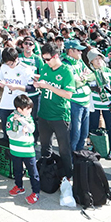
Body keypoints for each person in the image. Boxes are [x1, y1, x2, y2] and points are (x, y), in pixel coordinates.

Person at [33, 42, 75, 179]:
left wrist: (47, 86)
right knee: (45, 147)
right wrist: (38, 84)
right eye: (44, 59)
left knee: (64, 149)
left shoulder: (66, 71)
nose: (46, 62)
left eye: (47, 59)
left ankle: (68, 175)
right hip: (44, 114)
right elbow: (44, 83)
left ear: (56, 56)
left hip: (60, 115)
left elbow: (68, 95)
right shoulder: (45, 68)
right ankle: (47, 173)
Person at [6, 94, 40, 205]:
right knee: (17, 170)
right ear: (19, 109)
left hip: (28, 151)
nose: (30, 111)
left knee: (33, 172)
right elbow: (10, 134)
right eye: (27, 109)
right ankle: (19, 186)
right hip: (15, 150)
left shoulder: (28, 117)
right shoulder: (11, 118)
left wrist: (22, 121)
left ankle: (36, 192)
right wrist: (21, 132)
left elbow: (32, 128)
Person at [87, 49, 111, 159]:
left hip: (108, 102)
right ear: (91, 61)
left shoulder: (107, 71)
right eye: (95, 59)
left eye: (99, 58)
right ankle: (95, 147)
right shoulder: (88, 72)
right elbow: (83, 85)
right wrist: (93, 88)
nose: (98, 60)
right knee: (93, 126)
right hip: (94, 104)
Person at [62, 39, 92, 151]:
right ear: (70, 51)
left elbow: (92, 75)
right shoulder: (65, 64)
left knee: (84, 133)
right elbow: (73, 83)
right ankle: (71, 159)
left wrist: (83, 78)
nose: (81, 52)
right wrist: (83, 79)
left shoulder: (80, 62)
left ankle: (79, 156)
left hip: (86, 102)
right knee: (75, 134)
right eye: (78, 50)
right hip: (75, 103)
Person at [0, 47, 32, 139]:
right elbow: (1, 80)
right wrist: (2, 84)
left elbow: (32, 87)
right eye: (7, 63)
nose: (9, 66)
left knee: (19, 132)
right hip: (5, 103)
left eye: (11, 64)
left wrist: (17, 87)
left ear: (16, 58)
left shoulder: (25, 68)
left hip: (20, 105)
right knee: (6, 131)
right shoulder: (3, 67)